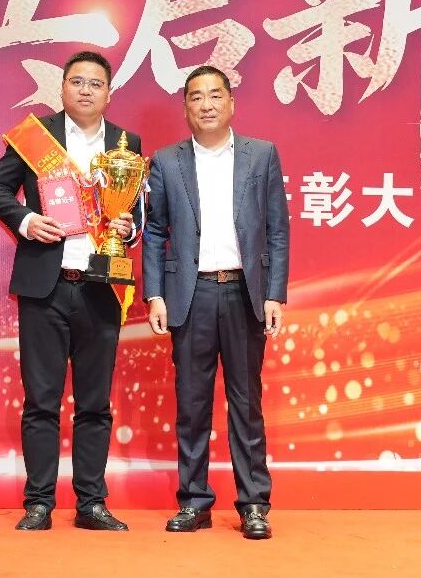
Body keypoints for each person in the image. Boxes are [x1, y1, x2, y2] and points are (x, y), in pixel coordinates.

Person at [0, 51, 139, 532]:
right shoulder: (37, 138)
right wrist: (27, 221)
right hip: (45, 288)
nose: (86, 90)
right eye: (77, 81)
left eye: (95, 83)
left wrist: (129, 229)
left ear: (109, 93)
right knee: (42, 401)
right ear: (63, 87)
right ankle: (39, 503)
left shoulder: (127, 143)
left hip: (100, 288)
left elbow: (136, 211)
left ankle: (92, 503)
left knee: (95, 404)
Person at [142, 64, 289, 540]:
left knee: (246, 403)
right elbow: (156, 232)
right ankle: (194, 501)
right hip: (192, 294)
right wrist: (155, 293)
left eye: (215, 95)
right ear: (186, 106)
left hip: (244, 292)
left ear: (231, 102)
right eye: (196, 97)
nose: (206, 104)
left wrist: (274, 293)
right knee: (192, 404)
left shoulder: (261, 154)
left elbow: (278, 230)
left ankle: (254, 504)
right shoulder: (166, 161)